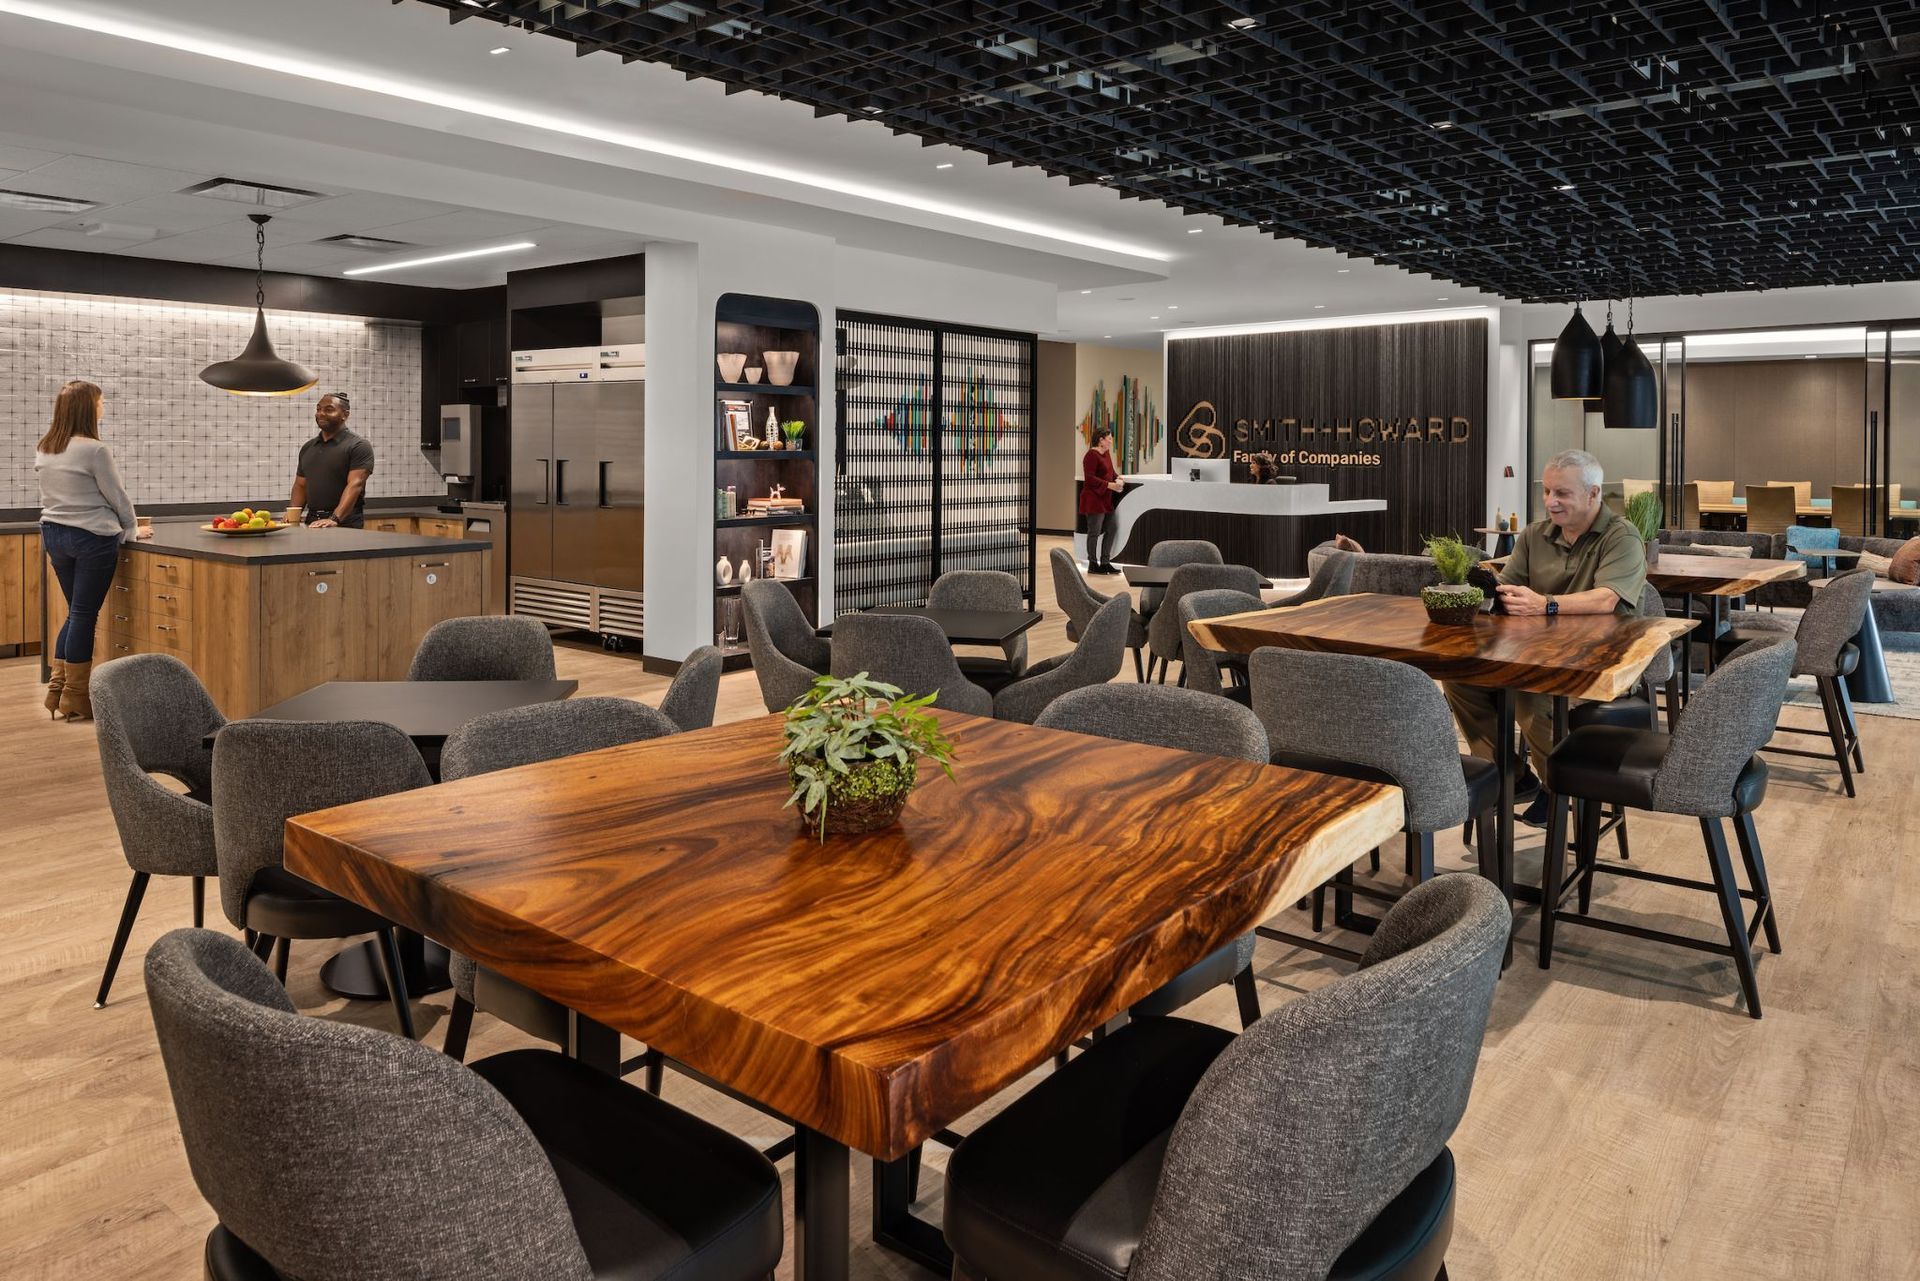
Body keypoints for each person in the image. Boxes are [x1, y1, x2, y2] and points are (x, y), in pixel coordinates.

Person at [1445, 448, 1648, 826]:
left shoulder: (1623, 536)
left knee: (1529, 694)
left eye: (1562, 494)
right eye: (1547, 491)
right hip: (1537, 653)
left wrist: (1546, 605)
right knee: (1460, 678)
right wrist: (1485, 589)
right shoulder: (1534, 535)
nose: (1550, 502)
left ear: (1593, 494)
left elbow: (1607, 599)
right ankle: (1512, 777)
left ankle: (1559, 789)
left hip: (1601, 660)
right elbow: (1507, 587)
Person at [35, 379, 152, 721]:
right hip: (91, 538)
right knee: (84, 615)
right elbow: (117, 496)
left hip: (54, 535)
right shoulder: (94, 450)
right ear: (88, 408)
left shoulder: (46, 447)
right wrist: (131, 529)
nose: (104, 408)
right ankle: (76, 698)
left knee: (75, 613)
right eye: (101, 402)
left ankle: (57, 692)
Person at [290, 391, 373, 529]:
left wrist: (335, 518)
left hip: (345, 521)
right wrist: (292, 516)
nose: (321, 413)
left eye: (329, 410)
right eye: (318, 409)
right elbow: (301, 485)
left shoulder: (358, 446)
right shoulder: (308, 447)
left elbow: (355, 485)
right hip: (312, 520)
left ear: (345, 415)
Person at [1079, 425, 1123, 573]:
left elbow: (1110, 472)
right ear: (1101, 440)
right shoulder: (1091, 455)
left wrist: (1118, 478)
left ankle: (1105, 561)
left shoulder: (1106, 453)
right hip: (1094, 499)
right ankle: (1092, 563)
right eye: (1109, 439)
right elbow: (1090, 478)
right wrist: (1109, 485)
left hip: (1105, 499)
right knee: (1094, 532)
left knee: (1112, 528)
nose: (1111, 441)